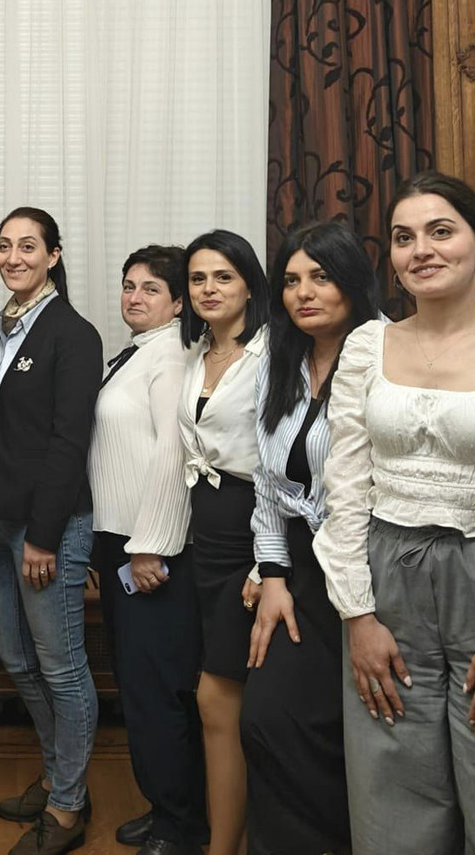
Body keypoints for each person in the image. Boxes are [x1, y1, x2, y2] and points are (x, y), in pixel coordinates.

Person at [313, 171, 475, 853]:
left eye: (440, 232)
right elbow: (346, 485)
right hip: (387, 578)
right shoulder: (367, 345)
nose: (421, 249)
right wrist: (358, 615)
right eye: (403, 237)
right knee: (390, 784)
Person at [241, 221, 381, 855]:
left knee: (355, 728)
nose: (304, 293)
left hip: (369, 567)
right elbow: (267, 484)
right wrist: (272, 576)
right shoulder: (282, 364)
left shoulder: (384, 354)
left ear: (352, 281)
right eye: (291, 280)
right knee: (268, 717)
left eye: (320, 277)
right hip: (296, 568)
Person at [0, 207, 104, 855]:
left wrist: (45, 537)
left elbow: (67, 442)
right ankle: (59, 778)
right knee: (18, 659)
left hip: (49, 525)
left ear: (53, 255)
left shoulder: (72, 335)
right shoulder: (2, 329)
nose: (13, 256)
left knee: (62, 668)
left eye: (28, 246)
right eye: (5, 246)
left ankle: (68, 805)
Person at [88, 244, 206, 855]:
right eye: (128, 285)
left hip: (148, 550)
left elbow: (172, 454)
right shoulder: (137, 354)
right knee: (140, 687)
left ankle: (181, 826)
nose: (134, 296)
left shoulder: (175, 357)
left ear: (178, 302)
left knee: (156, 692)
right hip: (120, 542)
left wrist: (149, 548)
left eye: (150, 289)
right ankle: (167, 809)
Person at [177, 228, 272, 855]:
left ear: (248, 285)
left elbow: (282, 462)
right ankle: (226, 842)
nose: (209, 289)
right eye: (198, 279)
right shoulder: (193, 355)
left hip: (251, 531)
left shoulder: (273, 353)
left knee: (223, 697)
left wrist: (270, 562)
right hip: (201, 533)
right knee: (211, 699)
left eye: (223, 277)